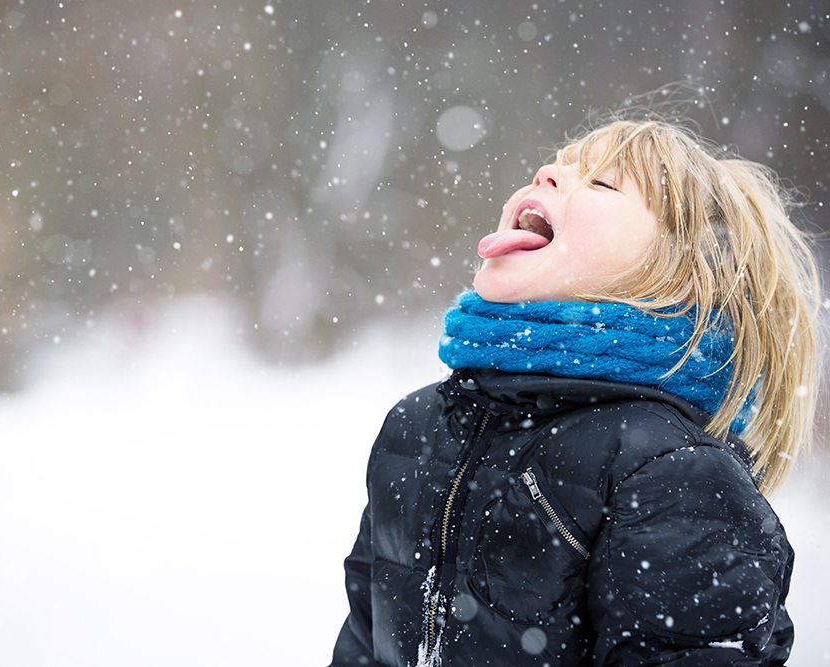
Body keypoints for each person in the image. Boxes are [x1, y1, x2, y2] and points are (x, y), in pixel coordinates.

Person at [328, 116, 823, 666]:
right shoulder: (418, 424)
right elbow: (363, 644)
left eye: (602, 182)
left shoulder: (673, 472)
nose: (547, 172)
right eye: (558, 165)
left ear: (677, 276)